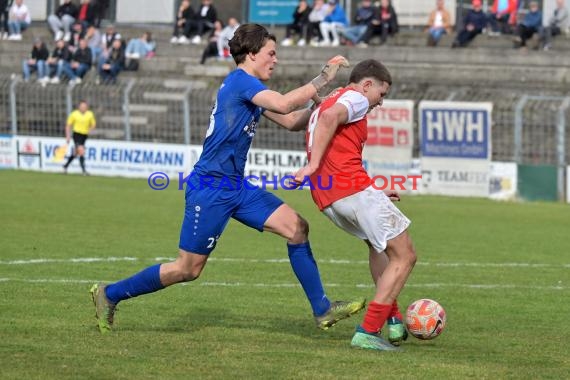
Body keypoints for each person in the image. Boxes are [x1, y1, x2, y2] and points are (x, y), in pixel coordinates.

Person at [90, 23, 364, 334]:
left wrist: (327, 105)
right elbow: (286, 103)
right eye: (271, 54)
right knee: (188, 269)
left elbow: (291, 121)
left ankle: (322, 310)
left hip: (236, 186)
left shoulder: (251, 90)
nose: (275, 60)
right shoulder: (240, 82)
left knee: (297, 228)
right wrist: (322, 79)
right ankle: (109, 294)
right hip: (210, 188)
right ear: (251, 55)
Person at [293, 59, 415, 351]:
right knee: (405, 255)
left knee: (378, 246)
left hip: (330, 197)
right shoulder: (357, 98)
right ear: (367, 84)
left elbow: (301, 121)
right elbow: (329, 119)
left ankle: (394, 319)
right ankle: (368, 330)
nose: (380, 103)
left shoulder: (331, 98)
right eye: (381, 95)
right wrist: (312, 165)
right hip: (350, 190)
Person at [63, 100, 96, 175]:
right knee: (81, 150)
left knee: (75, 153)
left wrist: (90, 129)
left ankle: (65, 166)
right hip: (76, 134)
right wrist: (68, 136)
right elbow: (68, 126)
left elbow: (93, 124)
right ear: (79, 107)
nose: (83, 108)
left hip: (84, 135)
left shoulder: (90, 114)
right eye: (82, 106)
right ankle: (84, 171)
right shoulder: (74, 114)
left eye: (85, 107)